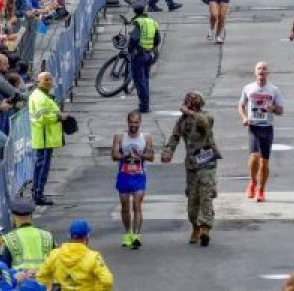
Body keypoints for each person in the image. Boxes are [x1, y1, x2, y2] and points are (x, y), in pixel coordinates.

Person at [161, 91, 220, 246]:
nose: (186, 103)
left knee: (206, 195)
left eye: (190, 101)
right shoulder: (182, 121)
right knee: (193, 199)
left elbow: (206, 124)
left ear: (196, 104)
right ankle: (195, 227)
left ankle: (205, 228)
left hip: (207, 163)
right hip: (192, 166)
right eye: (186, 100)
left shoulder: (205, 116)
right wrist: (168, 153)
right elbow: (174, 138)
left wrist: (191, 113)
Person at [238, 62, 285, 203]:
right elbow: (241, 105)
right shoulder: (248, 88)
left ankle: (261, 189)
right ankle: (252, 182)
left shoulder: (274, 90)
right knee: (254, 158)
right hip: (253, 127)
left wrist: (273, 108)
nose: (262, 71)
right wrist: (244, 117)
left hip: (267, 127)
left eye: (264, 69)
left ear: (268, 73)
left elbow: (281, 111)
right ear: (255, 72)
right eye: (259, 69)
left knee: (264, 162)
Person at [111, 111, 154, 248]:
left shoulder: (146, 137)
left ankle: (136, 235)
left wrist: (140, 155)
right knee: (125, 206)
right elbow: (114, 155)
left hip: (139, 175)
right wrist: (125, 156)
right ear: (127, 122)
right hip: (124, 175)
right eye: (131, 122)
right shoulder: (119, 137)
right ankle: (128, 233)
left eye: (136, 122)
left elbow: (151, 157)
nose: (133, 125)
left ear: (140, 123)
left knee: (137, 205)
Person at [35, 220, 113, 291]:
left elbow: (41, 276)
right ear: (86, 237)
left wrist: (48, 288)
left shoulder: (55, 254)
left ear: (70, 236)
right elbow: (107, 281)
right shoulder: (93, 257)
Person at [28, 71, 67, 206]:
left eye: (50, 79)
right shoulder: (39, 98)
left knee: (42, 166)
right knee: (42, 166)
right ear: (38, 82)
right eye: (45, 80)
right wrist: (58, 117)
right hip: (44, 137)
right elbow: (41, 118)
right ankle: (38, 194)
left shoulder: (44, 96)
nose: (48, 82)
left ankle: (38, 192)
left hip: (46, 137)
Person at [0, 199, 54, 271]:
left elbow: (3, 266)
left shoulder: (8, 239)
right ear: (31, 216)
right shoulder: (47, 235)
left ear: (14, 217)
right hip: (44, 279)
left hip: (21, 280)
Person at [128, 1, 160, 115]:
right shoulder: (152, 22)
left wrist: (129, 49)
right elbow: (157, 39)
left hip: (139, 55)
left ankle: (144, 105)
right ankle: (145, 104)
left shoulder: (137, 23)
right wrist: (153, 50)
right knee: (145, 79)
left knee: (139, 81)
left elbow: (133, 39)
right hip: (148, 55)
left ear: (135, 12)